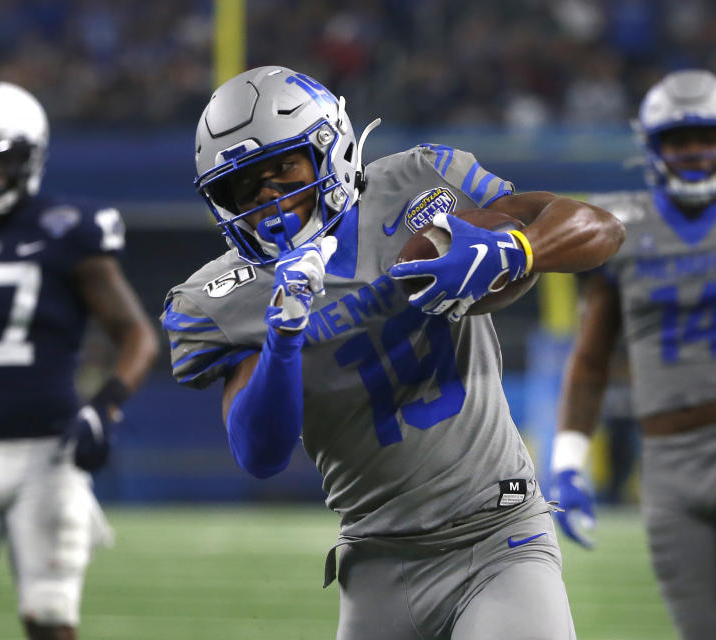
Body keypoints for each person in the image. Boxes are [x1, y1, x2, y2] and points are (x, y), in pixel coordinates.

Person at [162, 65, 624, 639]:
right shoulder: (220, 297)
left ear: (330, 147)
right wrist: (283, 336)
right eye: (243, 187)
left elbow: (600, 228)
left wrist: (515, 250)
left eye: (283, 168)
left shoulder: (421, 181)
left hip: (496, 534)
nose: (269, 199)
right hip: (374, 558)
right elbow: (261, 453)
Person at [0, 81, 159, 640]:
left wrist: (104, 407)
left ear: (32, 157)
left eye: (5, 157)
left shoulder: (70, 229)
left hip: (48, 454)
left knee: (49, 621)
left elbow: (137, 335)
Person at [551, 69, 716, 640]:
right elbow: (590, 359)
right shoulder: (620, 226)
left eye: (708, 137)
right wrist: (566, 462)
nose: (695, 153)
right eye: (679, 140)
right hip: (665, 466)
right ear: (653, 148)